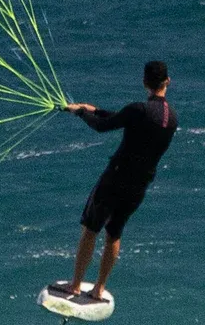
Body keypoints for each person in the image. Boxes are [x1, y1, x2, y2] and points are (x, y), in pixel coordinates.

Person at [56, 60, 178, 301]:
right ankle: (99, 288)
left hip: (116, 178)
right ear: (168, 81)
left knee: (91, 229)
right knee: (114, 232)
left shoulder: (139, 109)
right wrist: (95, 109)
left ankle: (75, 285)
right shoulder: (172, 118)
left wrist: (82, 113)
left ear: (144, 82)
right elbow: (124, 119)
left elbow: (104, 127)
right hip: (139, 186)